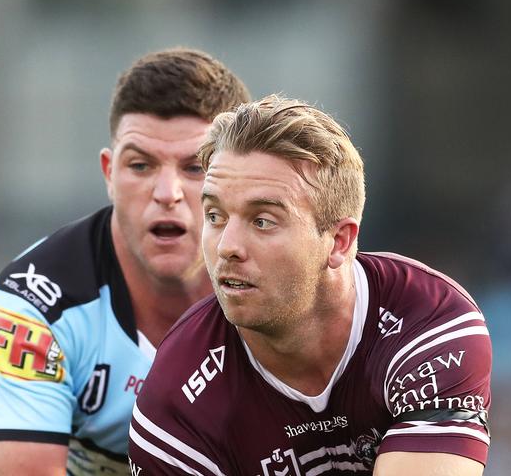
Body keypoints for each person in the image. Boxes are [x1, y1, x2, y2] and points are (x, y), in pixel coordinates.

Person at [128, 95, 492, 475]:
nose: (227, 246)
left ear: (339, 242)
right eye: (215, 215)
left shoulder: (431, 324)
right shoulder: (174, 402)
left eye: (263, 220)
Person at [0, 48, 250, 475]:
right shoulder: (32, 308)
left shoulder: (294, 286)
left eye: (195, 168)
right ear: (109, 174)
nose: (167, 192)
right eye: (140, 165)